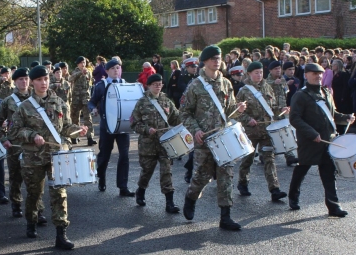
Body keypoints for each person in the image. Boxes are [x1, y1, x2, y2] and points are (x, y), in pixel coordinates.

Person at [10, 66, 87, 249]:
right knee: (34, 193)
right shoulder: (25, 107)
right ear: (33, 82)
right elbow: (14, 130)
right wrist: (31, 136)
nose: (43, 83)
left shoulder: (59, 102)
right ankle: (31, 221)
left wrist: (78, 130)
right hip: (33, 158)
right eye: (39, 80)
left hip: (57, 156)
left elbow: (65, 127)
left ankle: (61, 234)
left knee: (59, 193)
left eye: (45, 79)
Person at [180, 45, 247, 230]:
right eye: (213, 58)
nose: (217, 61)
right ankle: (191, 197)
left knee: (226, 175)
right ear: (205, 61)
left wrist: (238, 110)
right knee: (202, 176)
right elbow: (184, 113)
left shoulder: (226, 83)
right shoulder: (195, 85)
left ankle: (225, 217)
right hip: (204, 140)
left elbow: (229, 112)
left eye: (219, 58)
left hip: (223, 137)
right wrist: (196, 131)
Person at [287, 63, 354, 217]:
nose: (318, 76)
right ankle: (293, 196)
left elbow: (332, 114)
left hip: (327, 140)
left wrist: (346, 118)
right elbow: (295, 118)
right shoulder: (301, 95)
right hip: (310, 141)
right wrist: (311, 133)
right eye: (314, 73)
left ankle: (333, 206)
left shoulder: (326, 92)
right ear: (306, 75)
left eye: (320, 74)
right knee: (302, 169)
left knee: (329, 173)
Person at [0, 68, 45, 220]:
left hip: (34, 145)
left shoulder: (38, 99)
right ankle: (16, 204)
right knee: (15, 177)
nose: (24, 81)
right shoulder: (8, 101)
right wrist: (4, 140)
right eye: (20, 79)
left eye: (26, 79)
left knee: (36, 179)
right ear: (15, 81)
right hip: (15, 145)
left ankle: (38, 210)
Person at [235, 61, 288, 201]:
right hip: (251, 131)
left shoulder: (267, 88)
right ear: (249, 74)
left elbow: (273, 107)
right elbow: (237, 112)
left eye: (260, 72)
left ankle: (274, 189)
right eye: (256, 73)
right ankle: (242, 183)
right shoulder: (243, 91)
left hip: (266, 131)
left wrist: (281, 110)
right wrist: (248, 119)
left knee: (269, 159)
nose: (259, 75)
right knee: (248, 159)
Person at [130, 74, 181, 213]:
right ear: (149, 86)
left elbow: (176, 118)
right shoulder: (142, 102)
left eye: (160, 84)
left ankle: (169, 203)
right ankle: (140, 191)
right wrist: (147, 129)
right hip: (148, 144)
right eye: (155, 84)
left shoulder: (166, 101)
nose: (158, 86)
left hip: (165, 143)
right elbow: (134, 123)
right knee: (147, 171)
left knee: (167, 171)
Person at [89, 57, 134, 196]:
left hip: (123, 126)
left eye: (118, 68)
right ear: (107, 70)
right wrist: (93, 109)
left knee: (124, 156)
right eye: (113, 68)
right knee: (104, 155)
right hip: (107, 126)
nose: (116, 70)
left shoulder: (126, 85)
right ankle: (101, 177)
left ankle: (123, 187)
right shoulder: (101, 86)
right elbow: (91, 102)